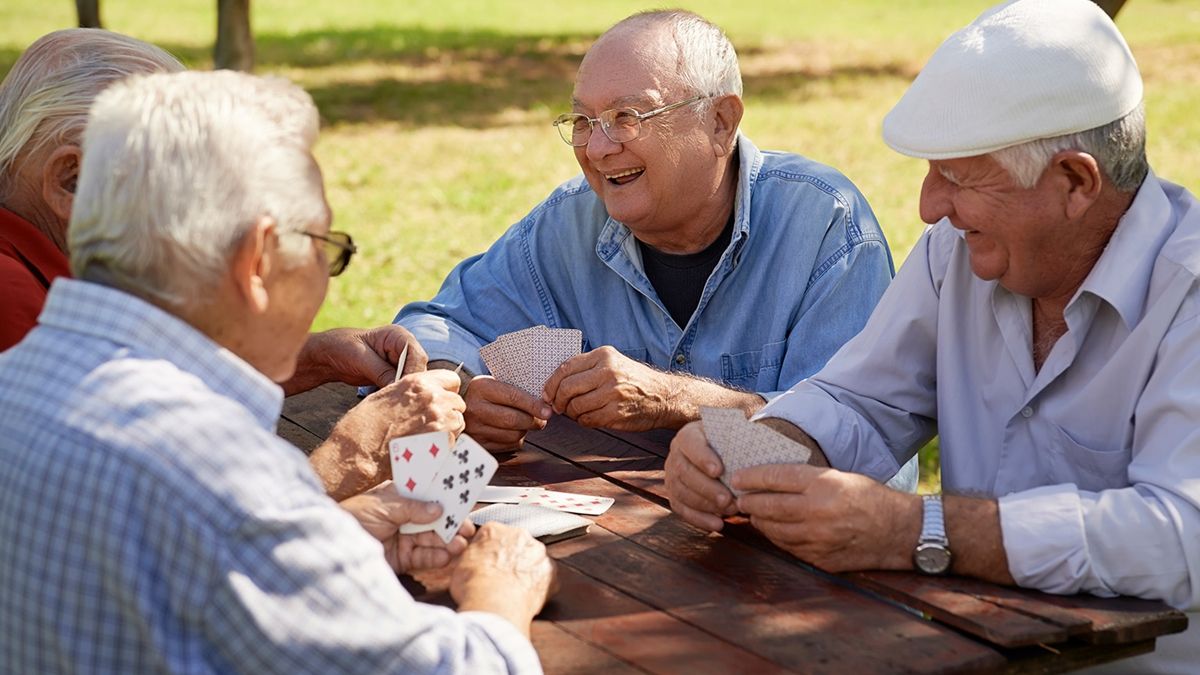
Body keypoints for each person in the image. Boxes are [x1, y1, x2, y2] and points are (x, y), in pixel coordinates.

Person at [665, 0, 1198, 671]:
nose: (927, 206)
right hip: (965, 650)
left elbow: (1181, 536)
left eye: (957, 176)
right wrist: (740, 448)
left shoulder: (1190, 290)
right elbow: (862, 398)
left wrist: (918, 530)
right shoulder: (960, 249)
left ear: (1074, 181)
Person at [0, 70, 555, 673]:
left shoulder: (18, 379)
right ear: (258, 260)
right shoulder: (218, 466)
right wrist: (501, 587)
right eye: (324, 245)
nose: (323, 275)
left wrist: (331, 537)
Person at [396, 10, 916, 488]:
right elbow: (435, 327)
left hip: (773, 566)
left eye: (627, 116)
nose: (598, 148)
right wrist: (462, 390)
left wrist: (681, 403)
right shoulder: (568, 223)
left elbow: (858, 454)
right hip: (609, 548)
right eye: (582, 121)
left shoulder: (825, 224)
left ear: (721, 123)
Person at [0, 28, 439, 500]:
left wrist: (312, 358)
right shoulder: (14, 300)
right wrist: (356, 453)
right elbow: (158, 519)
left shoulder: (59, 271)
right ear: (72, 180)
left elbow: (151, 385)